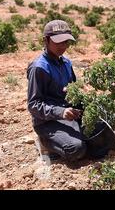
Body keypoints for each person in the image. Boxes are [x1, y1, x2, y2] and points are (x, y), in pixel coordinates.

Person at [27, 20, 87, 162]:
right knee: (76, 149)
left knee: (103, 134)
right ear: (46, 40)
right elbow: (34, 105)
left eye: (66, 42)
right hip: (47, 121)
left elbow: (73, 90)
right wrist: (61, 112)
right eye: (59, 42)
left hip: (69, 113)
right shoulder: (39, 68)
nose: (63, 46)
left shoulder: (66, 62)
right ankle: (45, 143)